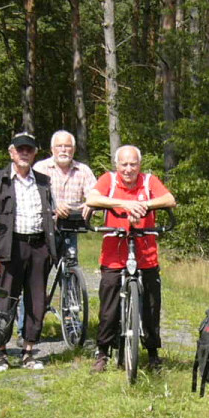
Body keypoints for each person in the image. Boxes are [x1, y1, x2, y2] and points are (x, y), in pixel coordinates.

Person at [84, 145, 177, 373]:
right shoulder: (109, 180)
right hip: (114, 253)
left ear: (139, 165)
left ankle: (153, 352)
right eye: (124, 164)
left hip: (146, 253)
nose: (128, 169)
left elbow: (169, 199)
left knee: (151, 306)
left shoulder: (148, 181)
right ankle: (103, 351)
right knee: (109, 306)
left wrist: (145, 204)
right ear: (117, 165)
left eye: (133, 164)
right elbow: (93, 197)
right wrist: (122, 203)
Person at [0, 131, 57, 371]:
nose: (25, 153)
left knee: (36, 301)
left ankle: (28, 351)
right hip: (9, 247)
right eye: (20, 149)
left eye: (29, 149)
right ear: (11, 152)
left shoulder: (44, 181)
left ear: (35, 153)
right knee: (5, 301)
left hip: (39, 246)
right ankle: (1, 352)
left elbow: (53, 211)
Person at [33, 130, 98, 262]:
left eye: (67, 146)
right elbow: (32, 200)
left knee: (70, 271)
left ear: (73, 149)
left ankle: (71, 281)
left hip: (71, 228)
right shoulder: (40, 168)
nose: (63, 150)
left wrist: (90, 205)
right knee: (41, 273)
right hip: (44, 230)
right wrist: (54, 208)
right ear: (52, 149)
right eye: (59, 146)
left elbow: (95, 195)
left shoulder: (83, 170)